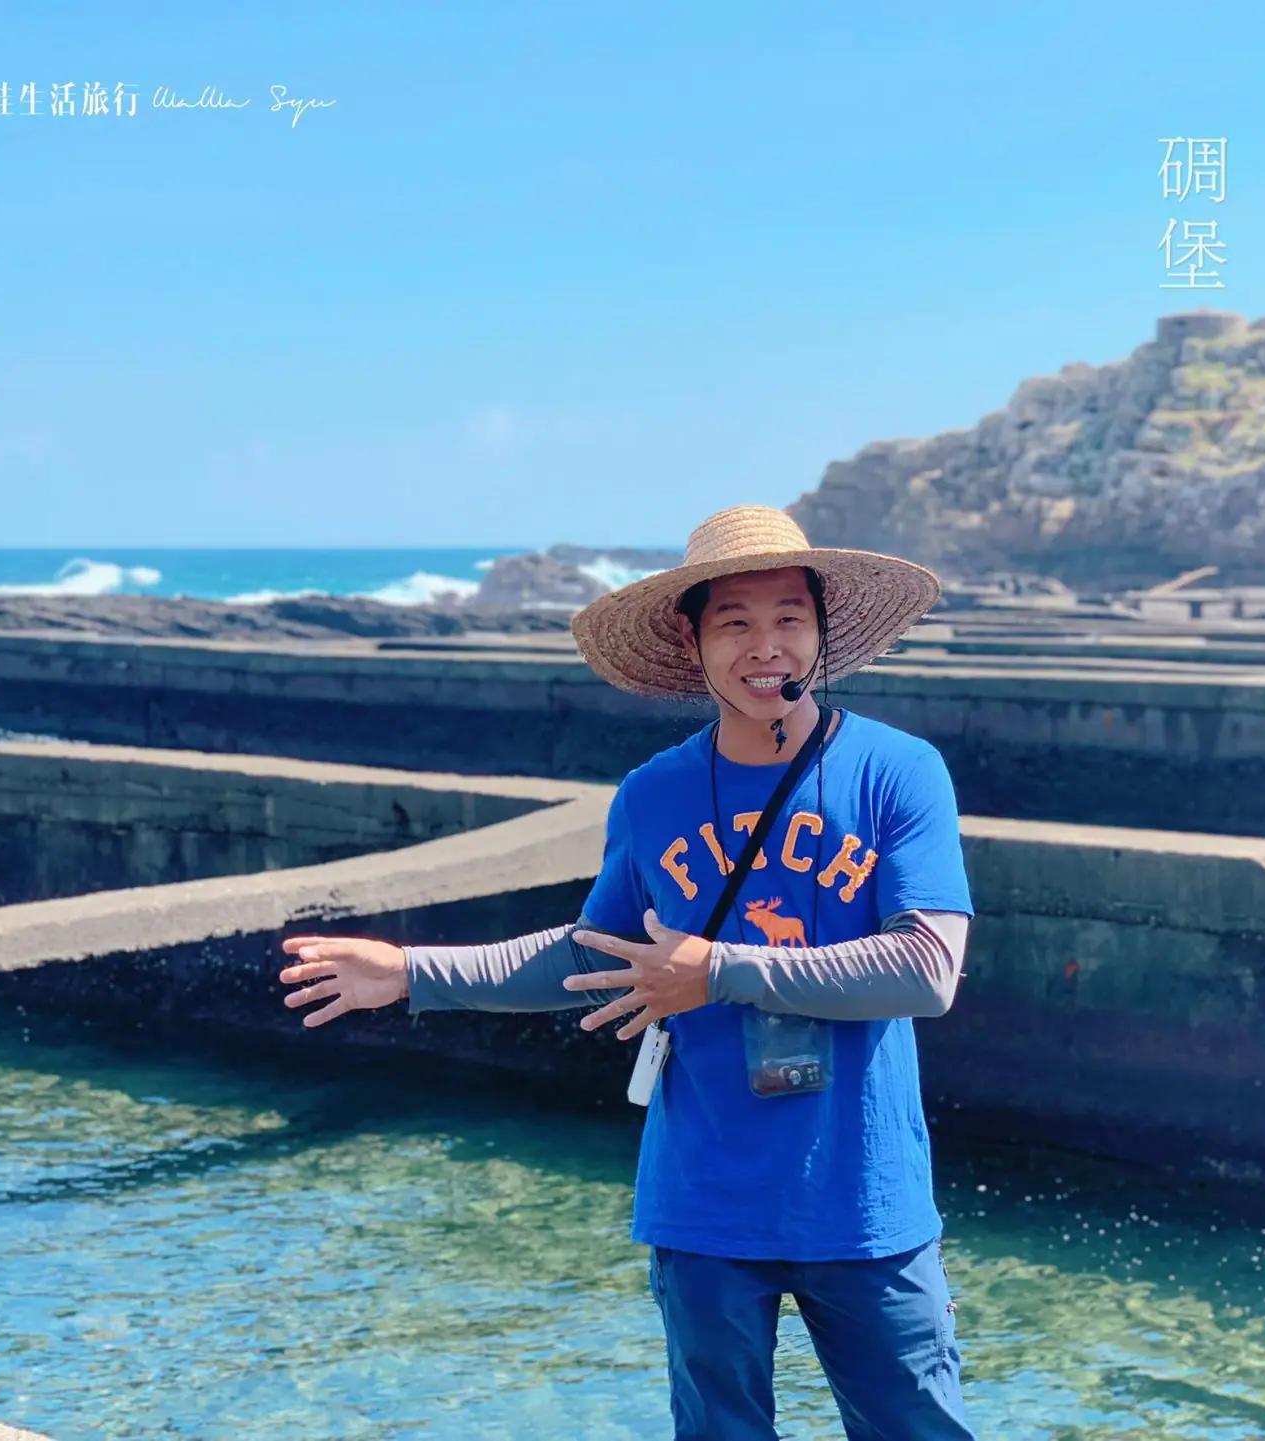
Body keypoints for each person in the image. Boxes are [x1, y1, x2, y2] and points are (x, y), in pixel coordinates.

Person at [276, 504, 976, 1439]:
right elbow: (589, 953)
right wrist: (412, 970)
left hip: (864, 1200)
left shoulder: (898, 771)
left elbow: (928, 968)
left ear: (823, 631)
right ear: (691, 642)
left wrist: (719, 969)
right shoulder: (654, 794)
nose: (765, 646)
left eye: (788, 618)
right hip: (703, 1204)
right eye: (735, 622)